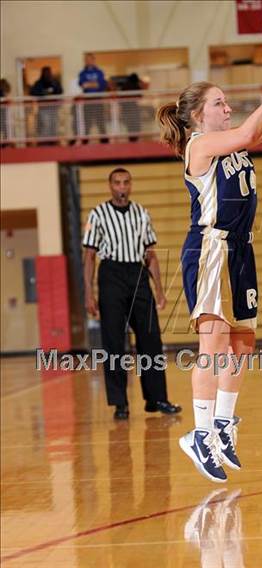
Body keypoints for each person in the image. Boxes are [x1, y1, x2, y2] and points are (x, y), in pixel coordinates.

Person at [157, 47, 262, 482]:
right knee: (214, 342)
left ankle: (224, 423)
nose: (227, 108)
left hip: (240, 249)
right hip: (210, 248)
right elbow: (249, 130)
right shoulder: (202, 145)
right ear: (196, 115)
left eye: (226, 103)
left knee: (243, 341)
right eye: (218, 103)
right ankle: (199, 433)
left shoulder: (231, 143)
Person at [82, 167, 181, 420]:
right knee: (114, 341)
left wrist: (159, 289)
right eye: (117, 183)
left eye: (126, 182)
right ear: (110, 186)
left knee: (151, 338)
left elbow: (151, 255)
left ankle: (157, 398)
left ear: (131, 185)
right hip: (111, 274)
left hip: (137, 274)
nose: (122, 187)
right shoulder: (98, 214)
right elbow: (90, 256)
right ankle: (120, 403)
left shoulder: (141, 214)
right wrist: (88, 293)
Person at [78, 53, 108, 143]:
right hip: (87, 101)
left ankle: (104, 141)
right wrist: (94, 84)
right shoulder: (82, 73)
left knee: (101, 122)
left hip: (98, 100)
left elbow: (102, 85)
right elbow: (83, 85)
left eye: (90, 59)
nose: (88, 61)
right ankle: (85, 141)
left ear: (93, 60)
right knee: (87, 122)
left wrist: (90, 84)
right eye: (86, 60)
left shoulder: (99, 72)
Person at [29, 67, 63, 143]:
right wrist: (43, 93)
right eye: (46, 72)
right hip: (43, 108)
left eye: (48, 72)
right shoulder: (38, 83)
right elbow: (33, 92)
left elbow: (60, 91)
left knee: (53, 123)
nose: (47, 74)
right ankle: (43, 141)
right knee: (45, 123)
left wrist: (52, 92)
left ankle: (53, 140)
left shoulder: (55, 82)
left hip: (54, 107)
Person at [0, 78, 11, 147]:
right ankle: (5, 144)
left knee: (5, 128)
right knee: (4, 128)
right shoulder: (1, 93)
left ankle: (5, 144)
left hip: (4, 112)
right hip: (2, 112)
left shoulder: (3, 93)